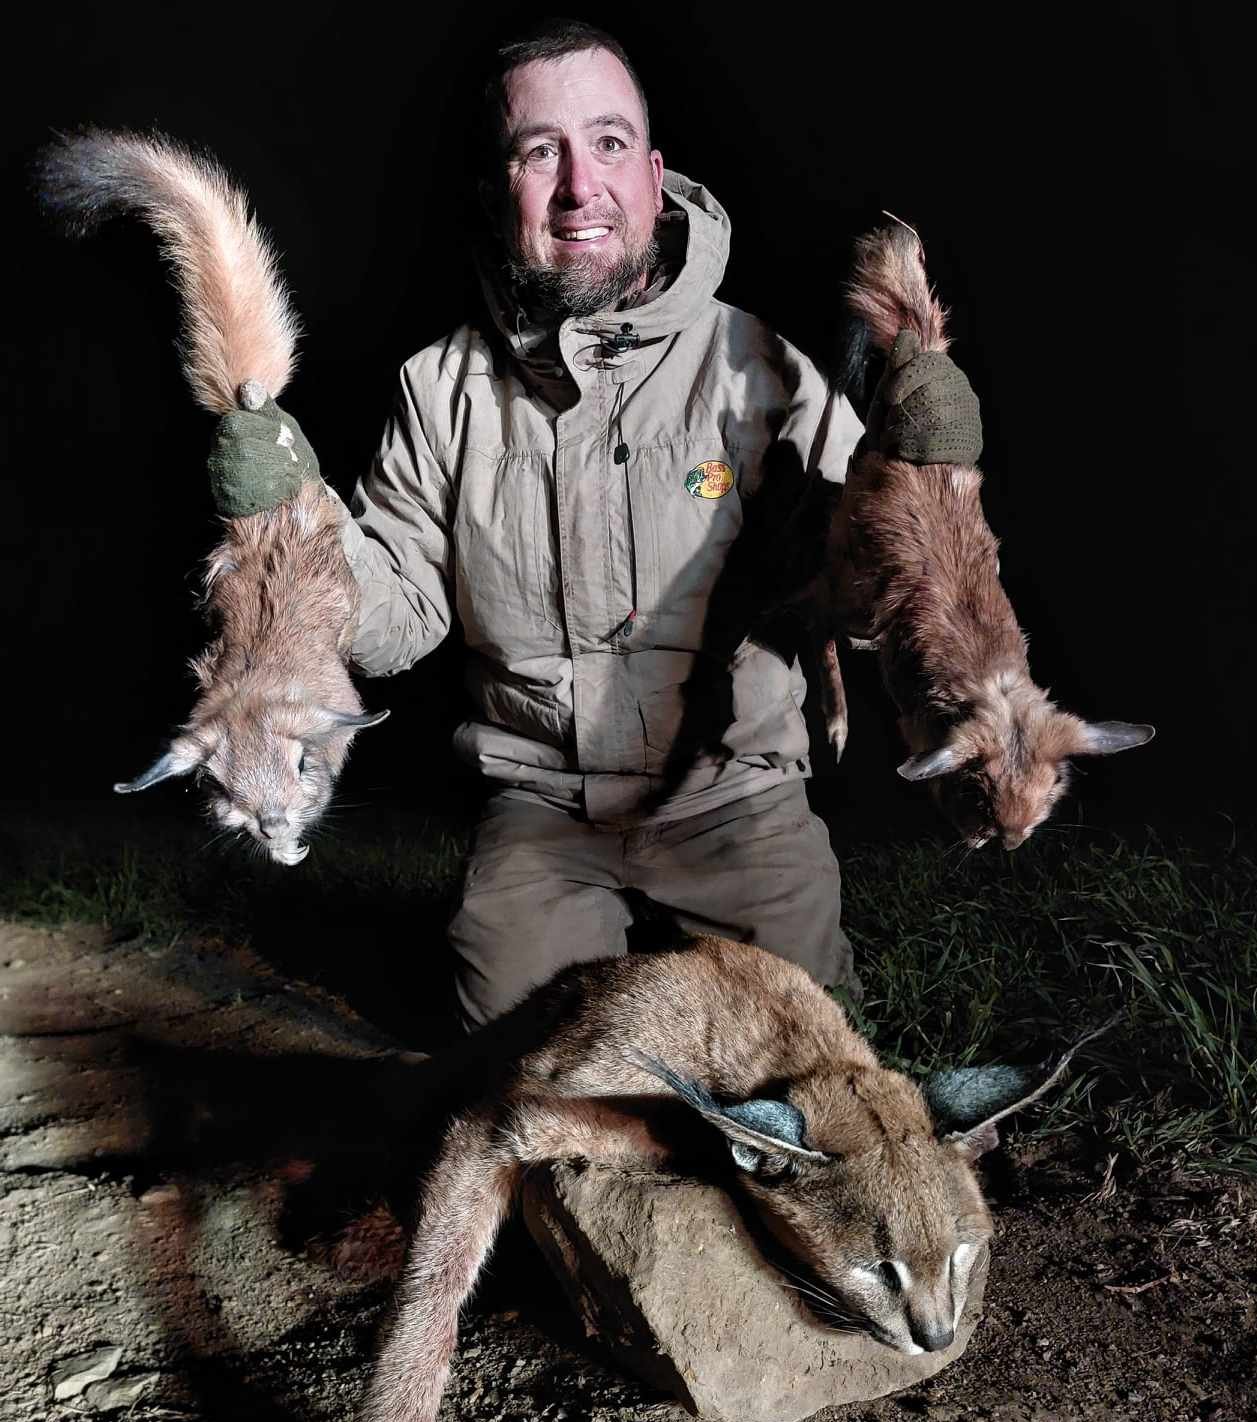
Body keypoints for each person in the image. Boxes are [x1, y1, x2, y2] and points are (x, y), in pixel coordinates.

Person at [214, 19, 981, 1028]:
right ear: (502, 192)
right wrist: (295, 522)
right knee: (521, 1067)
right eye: (542, 153)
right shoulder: (440, 389)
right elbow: (395, 620)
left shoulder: (764, 368)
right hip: (541, 812)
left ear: (655, 176)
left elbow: (870, 604)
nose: (581, 186)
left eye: (609, 143)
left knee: (805, 1058)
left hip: (733, 797)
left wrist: (917, 475)